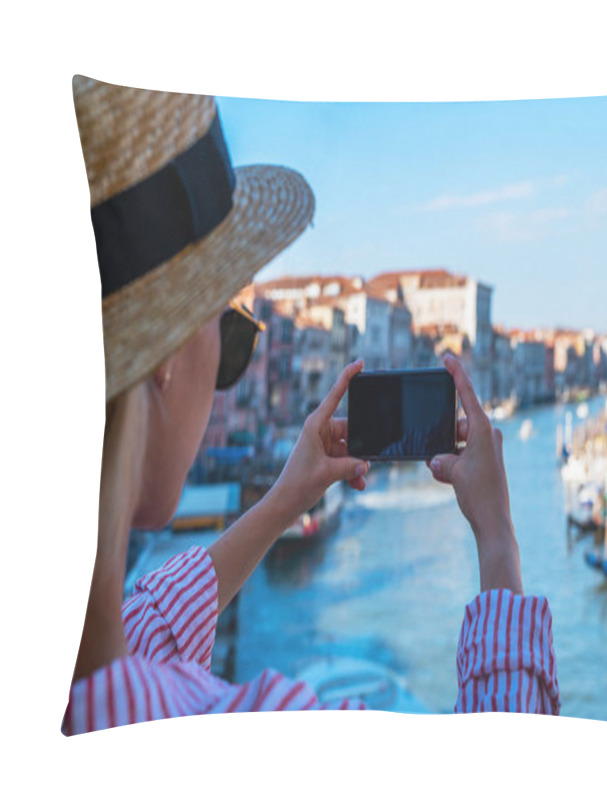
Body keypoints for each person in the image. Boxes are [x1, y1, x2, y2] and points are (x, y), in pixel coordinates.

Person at [63, 76, 559, 735]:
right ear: (162, 362)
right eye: (228, 328)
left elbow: (147, 625)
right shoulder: (247, 732)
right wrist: (498, 541)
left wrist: (282, 500)